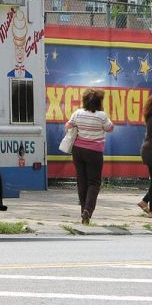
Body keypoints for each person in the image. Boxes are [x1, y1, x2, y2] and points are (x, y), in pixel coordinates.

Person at [64, 89, 114, 224]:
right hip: (94, 152)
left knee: (82, 181)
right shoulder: (101, 116)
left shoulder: (78, 113)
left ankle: (83, 211)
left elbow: (67, 126)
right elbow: (110, 128)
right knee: (94, 182)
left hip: (78, 151)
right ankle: (88, 210)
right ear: (99, 102)